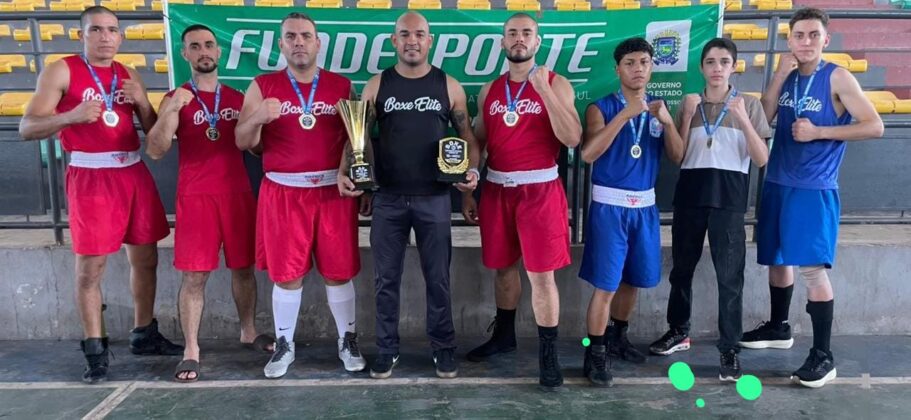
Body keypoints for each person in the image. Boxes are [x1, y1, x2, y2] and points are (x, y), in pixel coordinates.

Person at [18, 6, 181, 384]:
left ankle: (144, 333)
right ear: (82, 35)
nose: (105, 36)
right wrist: (70, 117)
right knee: (91, 268)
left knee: (147, 258)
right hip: (91, 173)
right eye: (96, 30)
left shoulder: (128, 73)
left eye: (112, 30)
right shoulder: (61, 69)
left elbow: (155, 134)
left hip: (132, 170)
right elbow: (27, 126)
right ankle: (95, 347)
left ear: (120, 37)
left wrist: (142, 100)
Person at [742, 7, 883, 388]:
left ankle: (824, 355)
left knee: (812, 269)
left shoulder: (837, 77)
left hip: (814, 187)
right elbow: (763, 118)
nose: (806, 42)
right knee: (776, 258)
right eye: (799, 35)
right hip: (777, 182)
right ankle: (778, 325)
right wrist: (777, 76)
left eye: (813, 35)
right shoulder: (786, 75)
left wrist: (820, 132)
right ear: (789, 40)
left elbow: (875, 125)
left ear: (825, 39)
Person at [235, 12, 369, 379]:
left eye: (305, 36)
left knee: (339, 273)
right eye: (291, 36)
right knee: (287, 276)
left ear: (317, 43)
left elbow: (353, 141)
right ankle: (284, 344)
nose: (298, 42)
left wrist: (351, 174)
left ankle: (348, 340)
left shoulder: (342, 86)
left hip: (331, 191)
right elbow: (242, 141)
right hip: (283, 191)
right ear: (281, 44)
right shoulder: (262, 85)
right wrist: (257, 117)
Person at [353, 11, 479, 380]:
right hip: (389, 199)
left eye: (419, 34)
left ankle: (443, 348)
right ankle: (387, 350)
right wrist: (363, 180)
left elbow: (468, 137)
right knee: (385, 279)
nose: (412, 40)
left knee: (438, 278)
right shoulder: (377, 85)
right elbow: (360, 140)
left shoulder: (449, 85)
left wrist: (471, 173)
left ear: (430, 40)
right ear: (394, 41)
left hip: (434, 198)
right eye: (405, 34)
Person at [146, 24, 273, 383]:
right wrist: (171, 111)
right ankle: (191, 349)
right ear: (184, 54)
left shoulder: (236, 98)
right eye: (194, 47)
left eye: (208, 45)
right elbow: (155, 150)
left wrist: (261, 121)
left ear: (218, 52)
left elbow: (257, 147)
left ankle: (248, 331)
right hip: (195, 197)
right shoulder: (174, 97)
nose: (203, 52)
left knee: (244, 268)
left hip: (237, 194)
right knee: (195, 276)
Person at [462, 12, 581, 392]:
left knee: (541, 275)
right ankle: (504, 335)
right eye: (511, 33)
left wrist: (543, 90)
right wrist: (470, 181)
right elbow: (479, 139)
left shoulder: (557, 84)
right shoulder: (490, 90)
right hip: (497, 188)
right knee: (502, 268)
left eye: (526, 33)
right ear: (502, 42)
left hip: (539, 190)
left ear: (537, 41)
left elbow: (573, 137)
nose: (518, 39)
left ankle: (548, 354)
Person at [648, 38, 771, 382]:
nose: (717, 68)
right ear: (702, 67)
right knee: (681, 271)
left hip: (729, 203)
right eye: (711, 62)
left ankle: (729, 349)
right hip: (690, 198)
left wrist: (743, 120)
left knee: (729, 280)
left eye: (724, 62)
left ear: (733, 67)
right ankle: (678, 331)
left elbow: (762, 159)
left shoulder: (749, 105)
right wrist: (685, 117)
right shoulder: (690, 104)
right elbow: (677, 156)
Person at [578, 37, 685, 387]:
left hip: (646, 207)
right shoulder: (601, 107)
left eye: (643, 62)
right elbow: (589, 154)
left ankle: (617, 337)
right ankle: (593, 354)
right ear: (618, 69)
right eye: (630, 63)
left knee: (633, 280)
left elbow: (678, 156)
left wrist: (669, 123)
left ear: (651, 67)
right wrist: (625, 114)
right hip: (610, 207)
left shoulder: (659, 107)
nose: (637, 68)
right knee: (606, 285)